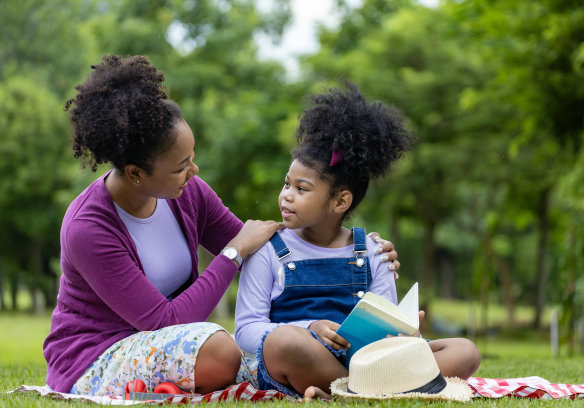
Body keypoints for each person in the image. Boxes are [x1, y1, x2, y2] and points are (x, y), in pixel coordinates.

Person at [43, 55, 399, 397]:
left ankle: (361, 379)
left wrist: (359, 248)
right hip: (96, 357)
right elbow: (165, 321)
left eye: (192, 158)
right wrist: (232, 254)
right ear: (136, 173)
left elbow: (261, 241)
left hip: (171, 347)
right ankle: (366, 386)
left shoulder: (187, 192)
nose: (194, 173)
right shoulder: (89, 228)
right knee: (220, 351)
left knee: (260, 358)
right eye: (181, 166)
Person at [234, 83, 481, 399]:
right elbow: (246, 332)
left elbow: (387, 326)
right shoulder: (268, 251)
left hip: (369, 360)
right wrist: (309, 328)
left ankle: (345, 390)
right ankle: (373, 388)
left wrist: (406, 333)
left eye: (302, 189)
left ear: (340, 201)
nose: (286, 196)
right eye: (286, 184)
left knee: (465, 350)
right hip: (305, 358)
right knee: (284, 343)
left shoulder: (375, 252)